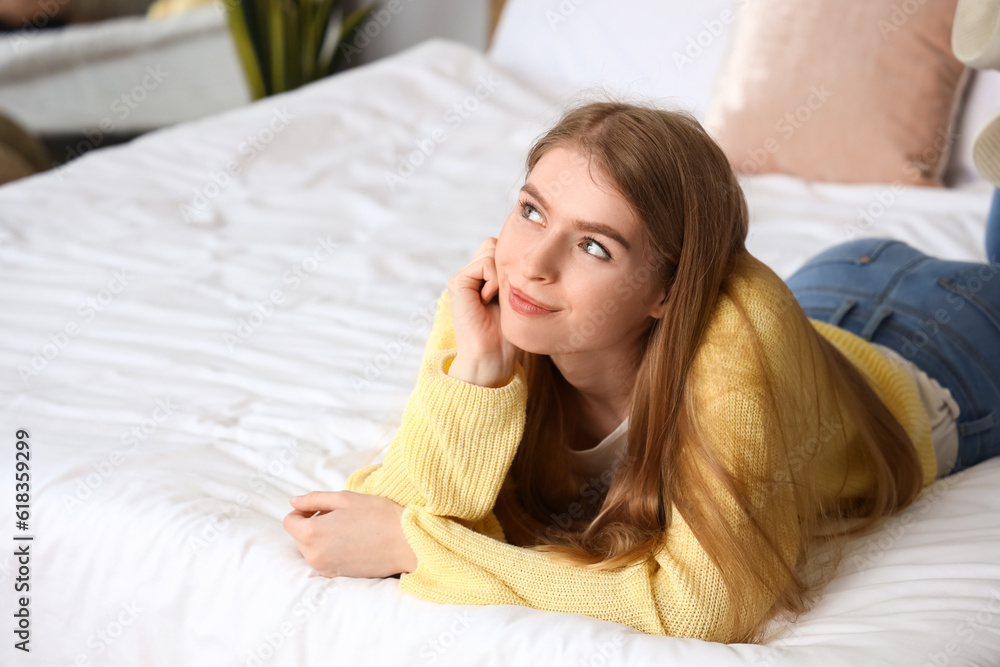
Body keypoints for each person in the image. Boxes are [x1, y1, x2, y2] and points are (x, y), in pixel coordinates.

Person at [282, 100, 1000, 644]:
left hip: (951, 355)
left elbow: (704, 605)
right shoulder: (501, 292)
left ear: (668, 291)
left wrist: (420, 549)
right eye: (533, 209)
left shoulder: (735, 347)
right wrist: (477, 369)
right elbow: (399, 503)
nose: (533, 261)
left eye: (594, 247)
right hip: (839, 279)